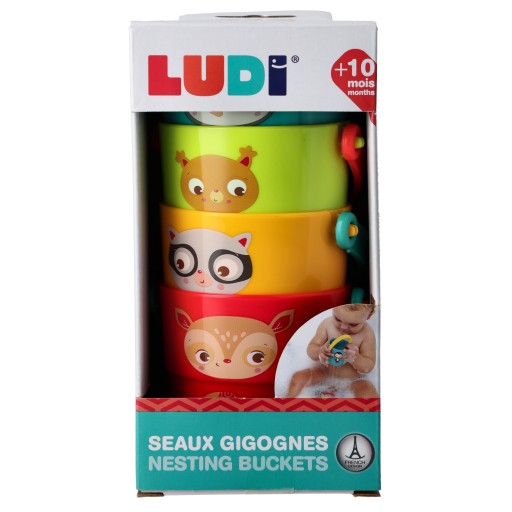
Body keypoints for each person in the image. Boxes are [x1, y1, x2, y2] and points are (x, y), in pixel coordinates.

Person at [286, 304, 378, 398]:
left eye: (353, 324)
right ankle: (289, 404)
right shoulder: (327, 324)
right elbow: (311, 349)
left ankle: (351, 407)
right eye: (338, 319)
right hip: (323, 374)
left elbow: (368, 366)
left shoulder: (367, 334)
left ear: (369, 315)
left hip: (354, 381)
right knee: (298, 378)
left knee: (368, 393)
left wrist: (356, 358)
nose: (343, 327)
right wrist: (319, 351)